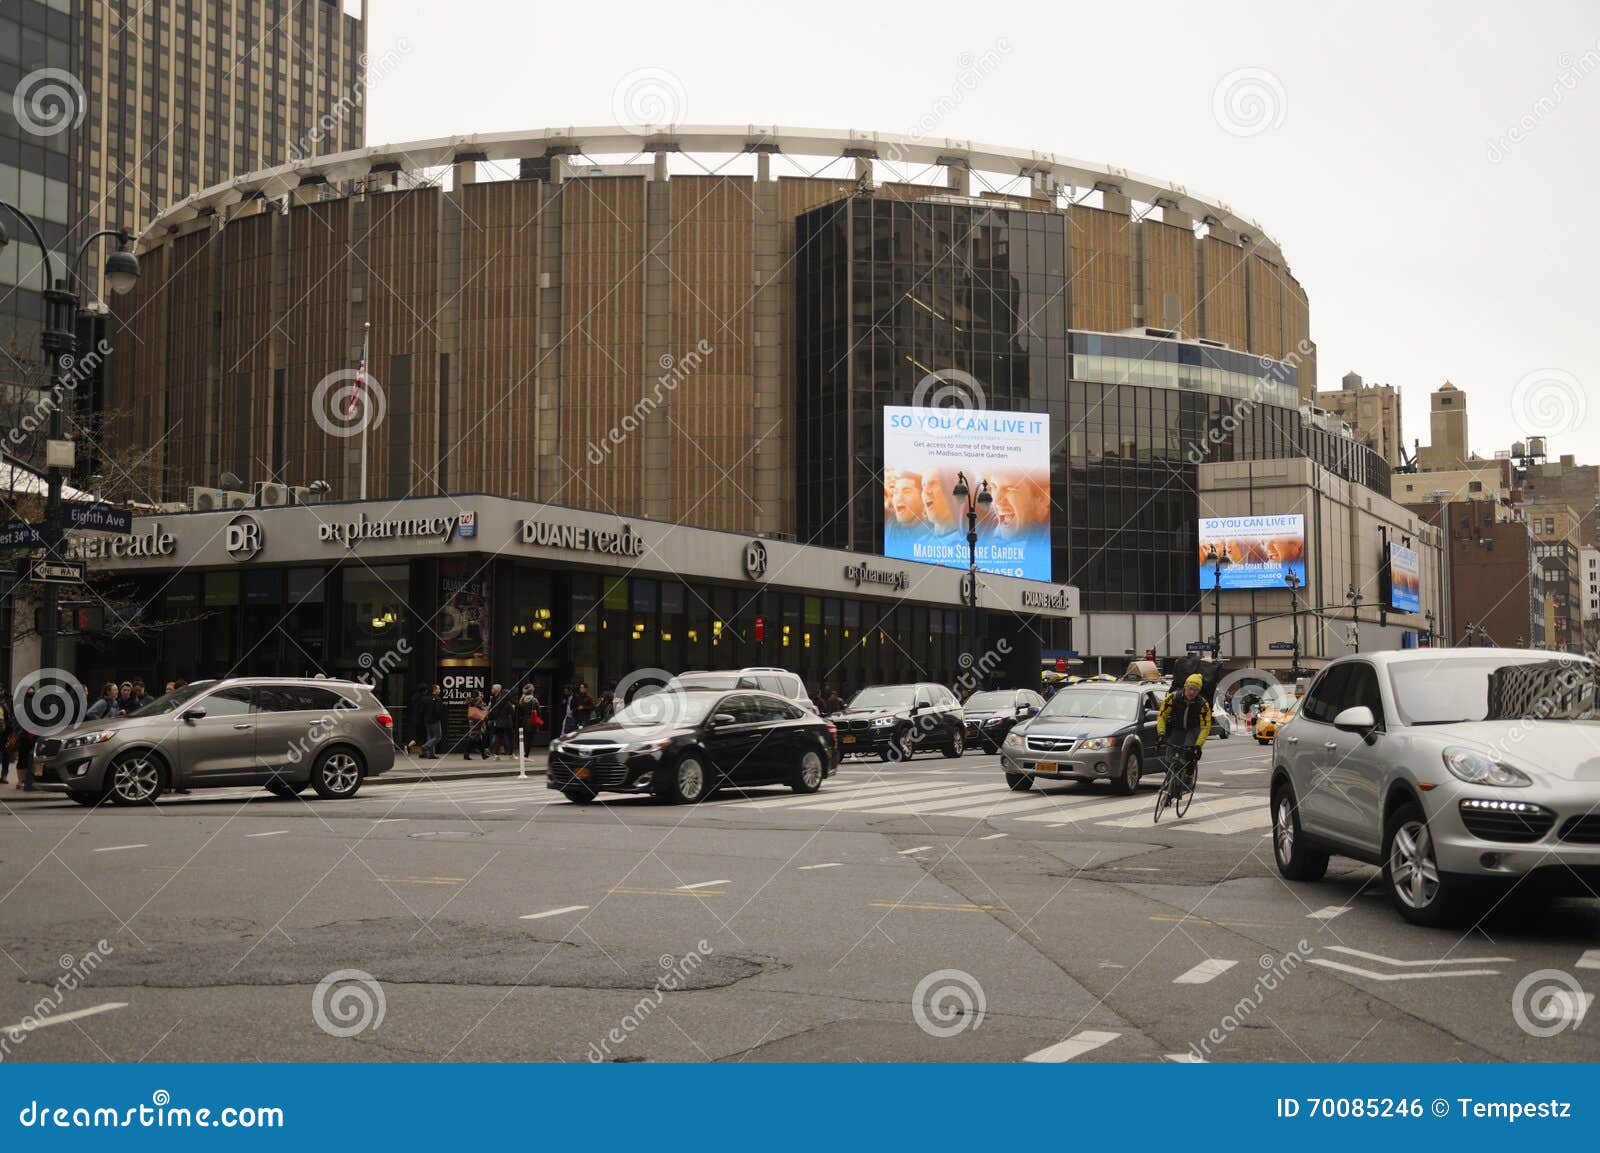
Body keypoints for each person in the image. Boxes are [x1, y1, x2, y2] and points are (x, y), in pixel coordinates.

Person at [1156, 673, 1213, 792]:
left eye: (1196, 690)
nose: (1192, 692)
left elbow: (1205, 727)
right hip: (1178, 728)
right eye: (1190, 688)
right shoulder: (1173, 698)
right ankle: (1170, 780)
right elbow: (1162, 716)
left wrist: (1198, 745)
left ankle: (1189, 774)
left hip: (1193, 730)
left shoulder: (1203, 704)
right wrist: (1161, 734)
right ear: (1185, 686)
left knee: (1189, 751)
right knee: (1169, 755)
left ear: (1199, 691)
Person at [514, 685, 542, 757]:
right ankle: (526, 754)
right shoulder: (534, 700)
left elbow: (519, 710)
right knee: (530, 739)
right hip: (532, 721)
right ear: (532, 691)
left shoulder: (522, 700)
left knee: (525, 738)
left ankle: (524, 752)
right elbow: (539, 712)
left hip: (524, 721)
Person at [419, 685, 445, 759]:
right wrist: (440, 717)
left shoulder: (426, 699)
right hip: (435, 720)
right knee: (438, 736)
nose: (440, 690)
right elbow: (437, 711)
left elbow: (422, 710)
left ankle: (431, 754)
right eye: (438, 688)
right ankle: (424, 747)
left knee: (430, 737)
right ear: (435, 690)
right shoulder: (437, 699)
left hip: (426, 720)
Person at [489, 684, 516, 755]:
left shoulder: (497, 701)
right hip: (507, 723)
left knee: (499, 738)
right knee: (511, 737)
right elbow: (512, 712)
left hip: (499, 722)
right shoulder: (508, 703)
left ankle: (496, 754)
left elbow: (493, 711)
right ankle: (511, 753)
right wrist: (513, 707)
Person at [465, 692, 492, 759]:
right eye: (480, 694)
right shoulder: (478, 702)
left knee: (477, 737)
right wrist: (490, 704)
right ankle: (467, 754)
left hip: (472, 720)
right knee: (473, 736)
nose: (481, 695)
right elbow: (485, 709)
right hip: (477, 720)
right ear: (477, 696)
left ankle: (483, 754)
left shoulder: (472, 701)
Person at [0, 686, 12, 785]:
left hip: (6, 732)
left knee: (6, 754)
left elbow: (12, 716)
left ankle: (4, 776)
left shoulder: (8, 701)